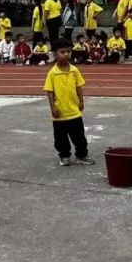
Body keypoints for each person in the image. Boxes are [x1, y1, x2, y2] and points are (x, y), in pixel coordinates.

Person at [43, 39, 94, 167]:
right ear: (55, 54)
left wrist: (81, 101)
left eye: (68, 51)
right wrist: (53, 108)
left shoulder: (74, 70)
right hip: (60, 113)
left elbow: (79, 87)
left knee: (79, 137)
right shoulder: (52, 73)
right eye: (62, 52)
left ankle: (81, 155)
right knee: (61, 139)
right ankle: (64, 156)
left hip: (74, 112)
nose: (66, 54)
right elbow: (49, 92)